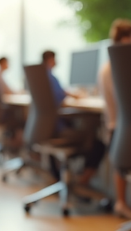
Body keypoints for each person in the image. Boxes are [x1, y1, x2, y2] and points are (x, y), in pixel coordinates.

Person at [42, 50, 105, 193]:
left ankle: (65, 176)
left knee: (88, 133)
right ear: (50, 59)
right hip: (59, 129)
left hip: (46, 128)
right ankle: (82, 182)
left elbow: (61, 95)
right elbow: (62, 97)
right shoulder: (51, 78)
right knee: (98, 143)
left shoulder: (42, 78)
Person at [97, 19, 131, 219]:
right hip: (124, 127)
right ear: (124, 40)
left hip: (118, 126)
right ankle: (122, 203)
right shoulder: (118, 67)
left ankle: (123, 201)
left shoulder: (108, 65)